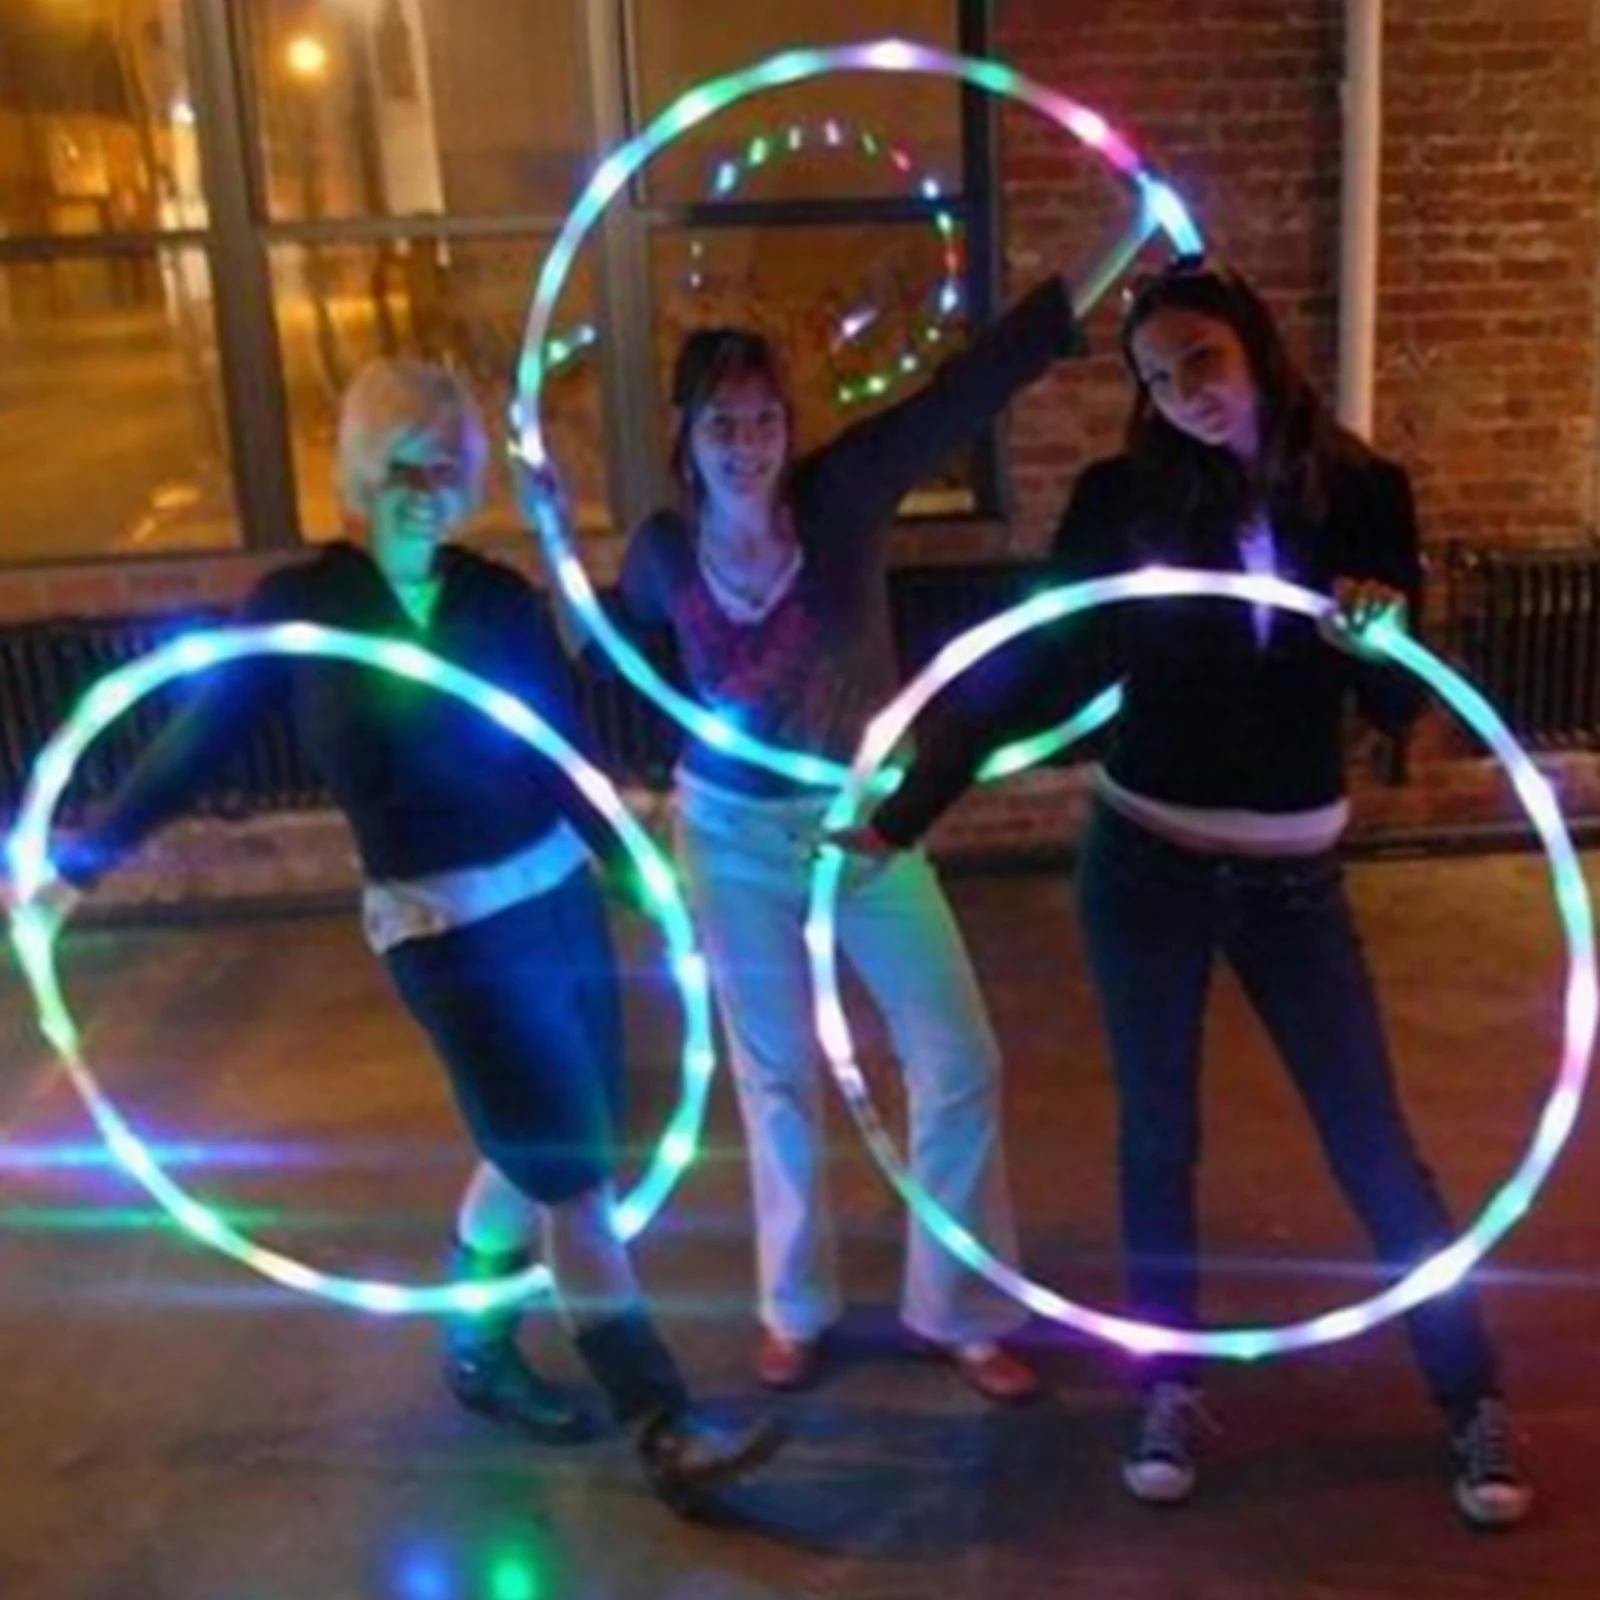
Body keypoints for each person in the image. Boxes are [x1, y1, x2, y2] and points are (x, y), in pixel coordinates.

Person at [28, 357, 785, 1513]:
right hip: (442, 927)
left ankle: (476, 1349)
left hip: (555, 898)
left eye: (445, 470)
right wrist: (78, 865)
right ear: (360, 473)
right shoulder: (304, 608)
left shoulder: (497, 600)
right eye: (403, 469)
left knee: (541, 1148)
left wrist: (642, 875)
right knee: (573, 1174)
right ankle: (662, 1420)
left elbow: (562, 757)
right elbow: (194, 746)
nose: (425, 493)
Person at [842, 260, 1531, 1527]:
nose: (1183, 392)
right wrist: (904, 808)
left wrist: (1377, 638)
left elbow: (1395, 707)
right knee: (1156, 1136)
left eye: (1199, 358)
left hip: (1293, 873)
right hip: (1145, 859)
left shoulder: (1363, 492)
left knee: (1371, 1140)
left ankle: (1469, 1393)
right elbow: (1045, 667)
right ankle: (1166, 1382)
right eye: (1156, 378)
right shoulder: (1124, 499)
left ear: (1253, 343)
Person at [570, 277, 1085, 1398]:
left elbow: (953, 402)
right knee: (777, 1077)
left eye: (765, 419)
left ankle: (955, 1310)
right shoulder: (663, 551)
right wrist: (560, 564)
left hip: (864, 829)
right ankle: (793, 1309)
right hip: (730, 837)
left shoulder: (843, 496)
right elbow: (616, 642)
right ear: (684, 433)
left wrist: (1076, 297)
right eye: (723, 422)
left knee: (956, 1057)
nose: (747, 443)